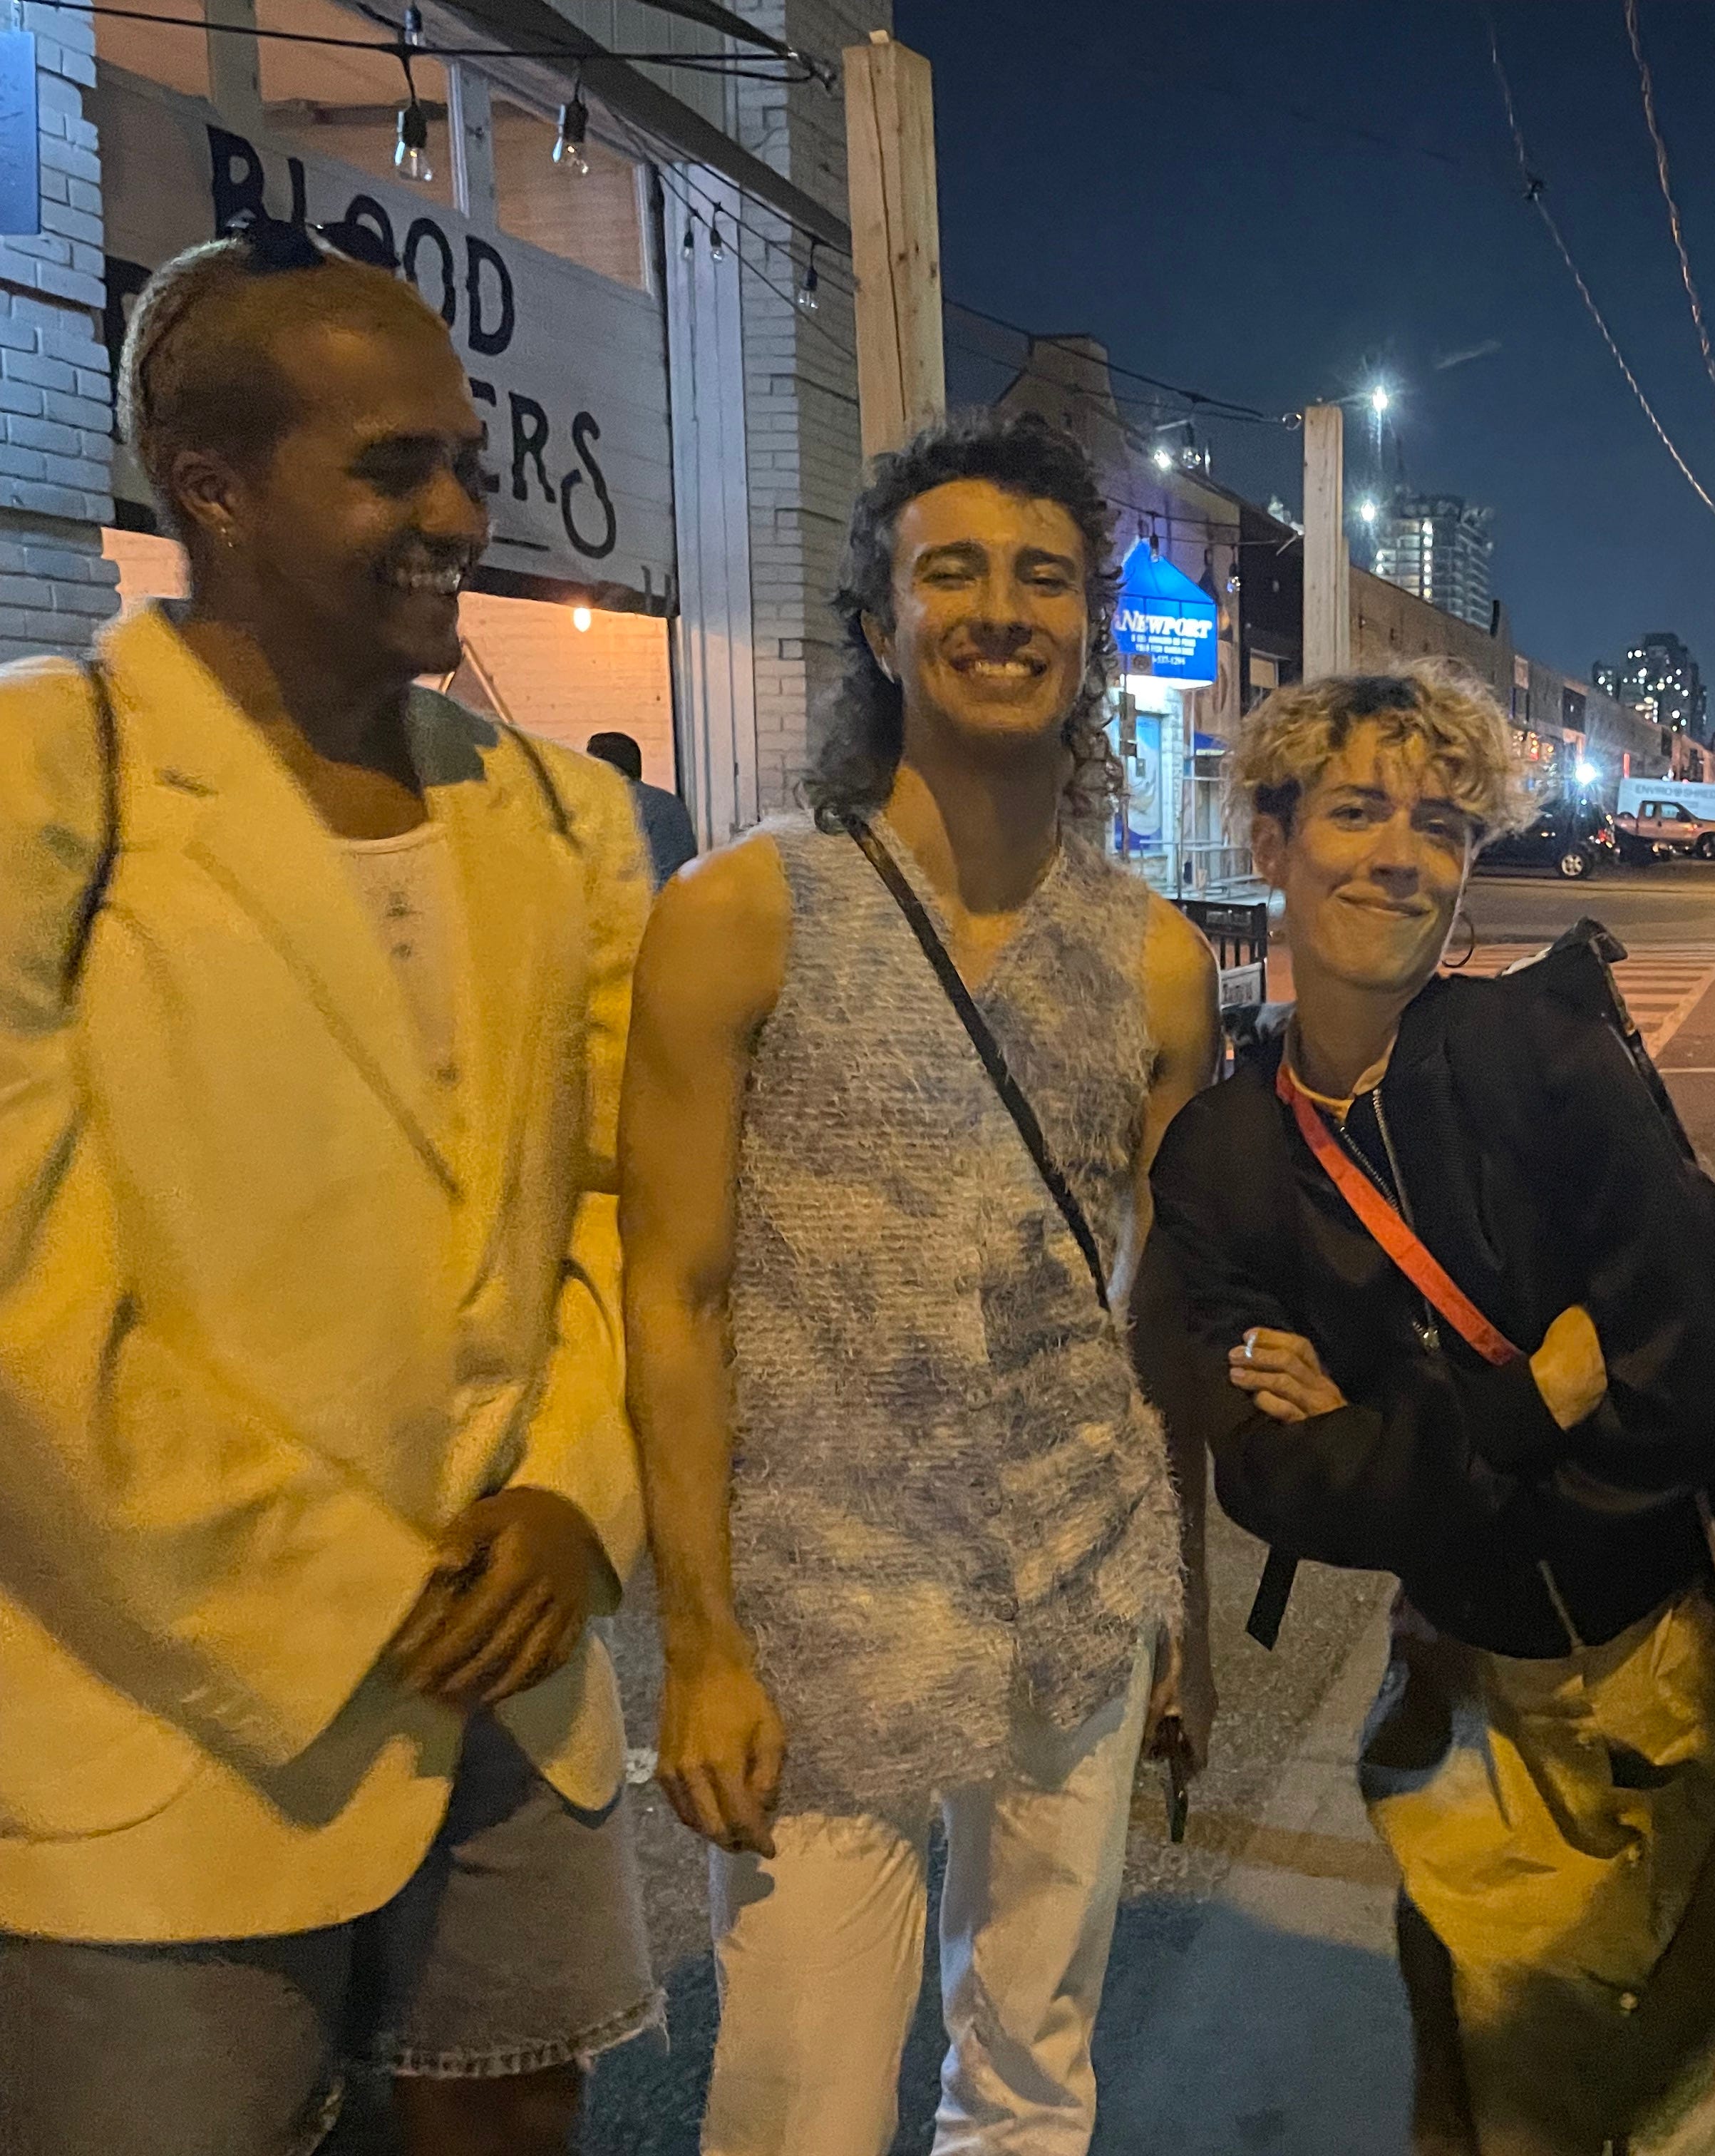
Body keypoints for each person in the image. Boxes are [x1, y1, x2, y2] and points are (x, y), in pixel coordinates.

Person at [0, 224, 655, 2152]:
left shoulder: (559, 817)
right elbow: (27, 1308)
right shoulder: (52, 783)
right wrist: (358, 1590)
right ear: (210, 485)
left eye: (465, 460)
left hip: (519, 1682)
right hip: (164, 1722)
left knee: (508, 2125)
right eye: (393, 468)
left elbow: (623, 1200)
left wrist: (575, 1494)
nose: (460, 513)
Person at [622, 410, 1222, 2156]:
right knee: (797, 2101)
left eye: (1045, 578)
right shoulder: (745, 914)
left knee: (1033, 2077)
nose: (1002, 610)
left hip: (1079, 1585)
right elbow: (673, 1298)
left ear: (1091, 634)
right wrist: (698, 1642)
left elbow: (1160, 1322)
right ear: (879, 628)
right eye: (950, 572)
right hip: (821, 1614)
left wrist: (1178, 1610)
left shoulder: (1157, 960)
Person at [1134, 664, 1715, 2154]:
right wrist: (1524, 1404)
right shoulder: (1225, 1159)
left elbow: (1691, 1372)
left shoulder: (1543, 1051)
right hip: (1468, 1688)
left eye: (1442, 823)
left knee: (1648, 2114)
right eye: (1356, 811)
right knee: (1482, 2105)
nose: (1402, 854)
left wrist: (1395, 1432)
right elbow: (1274, 1479)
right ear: (1269, 843)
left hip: (1690, 1669)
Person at [587, 727, 700, 888]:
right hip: (681, 895)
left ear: (603, 768)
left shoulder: (615, 805)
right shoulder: (666, 801)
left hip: (643, 898)